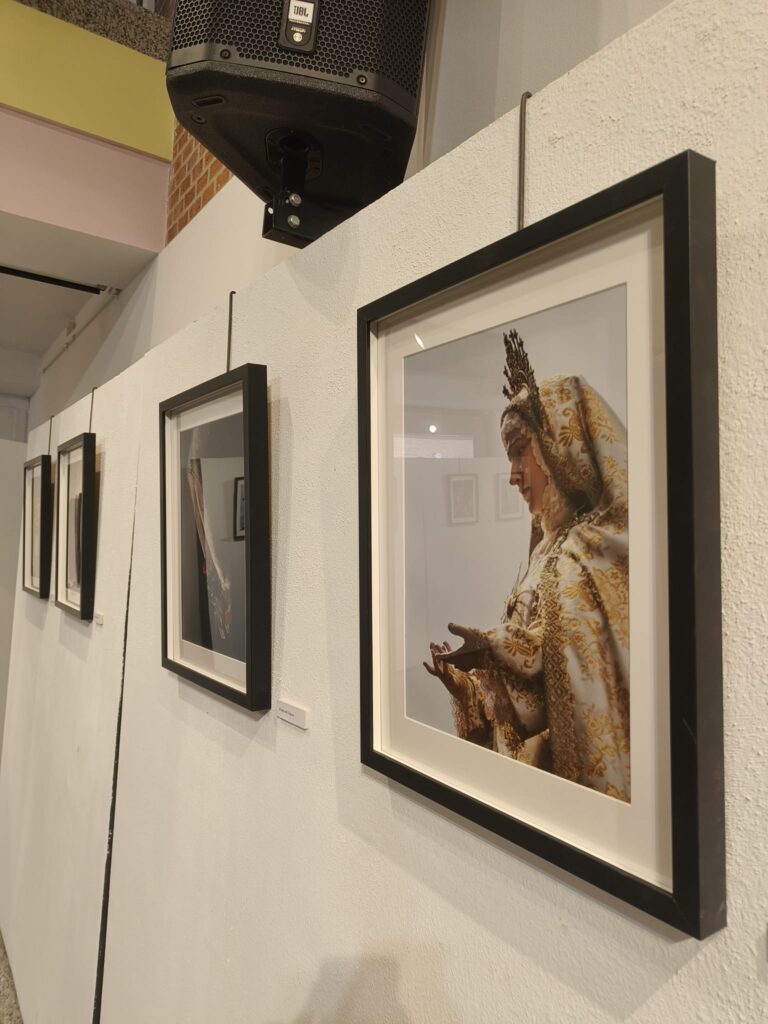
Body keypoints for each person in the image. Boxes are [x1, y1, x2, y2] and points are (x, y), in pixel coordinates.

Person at [424, 329, 631, 801]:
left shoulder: (584, 558)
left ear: (559, 448)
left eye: (520, 450)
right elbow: (534, 677)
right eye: (509, 455)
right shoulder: (545, 554)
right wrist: (467, 688)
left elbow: (562, 677)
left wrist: (494, 647)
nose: (513, 474)